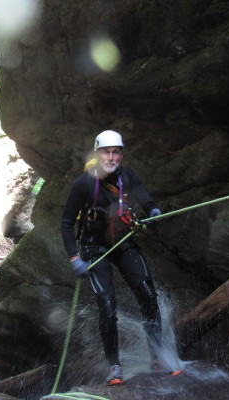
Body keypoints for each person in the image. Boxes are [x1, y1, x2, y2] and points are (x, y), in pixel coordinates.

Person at [61, 130, 166, 386]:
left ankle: (158, 355)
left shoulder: (128, 177)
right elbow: (66, 223)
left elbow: (146, 200)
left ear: (121, 154)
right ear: (97, 154)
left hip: (123, 242)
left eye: (116, 151)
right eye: (106, 152)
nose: (111, 156)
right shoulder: (83, 184)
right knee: (107, 306)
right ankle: (114, 366)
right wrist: (75, 258)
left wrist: (153, 211)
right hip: (93, 248)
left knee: (147, 293)